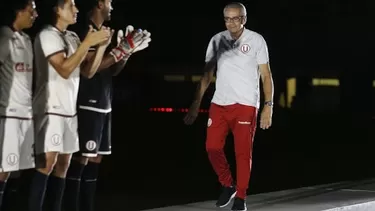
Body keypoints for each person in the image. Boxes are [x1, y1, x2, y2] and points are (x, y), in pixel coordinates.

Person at [184, 2, 274, 211]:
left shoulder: (256, 40)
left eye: (236, 18)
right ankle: (228, 184)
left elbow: (266, 75)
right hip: (220, 103)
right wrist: (195, 104)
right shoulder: (217, 40)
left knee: (242, 153)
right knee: (212, 147)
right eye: (227, 19)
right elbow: (207, 74)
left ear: (244, 19)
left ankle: (241, 197)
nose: (231, 23)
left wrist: (268, 106)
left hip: (246, 104)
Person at [62, 0, 151, 211]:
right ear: (100, 3)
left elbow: (111, 69)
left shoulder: (104, 31)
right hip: (87, 101)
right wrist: (119, 51)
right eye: (109, 2)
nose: (112, 6)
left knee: (95, 161)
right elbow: (89, 69)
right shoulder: (87, 30)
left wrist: (125, 53)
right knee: (81, 160)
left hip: (104, 101)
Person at [28, 0, 113, 210]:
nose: (76, 10)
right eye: (70, 6)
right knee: (47, 164)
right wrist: (87, 43)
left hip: (69, 110)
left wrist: (101, 47)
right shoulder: (48, 35)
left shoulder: (72, 36)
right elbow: (64, 69)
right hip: (49, 108)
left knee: (63, 166)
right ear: (57, 10)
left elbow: (88, 72)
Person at [0, 0, 38, 209]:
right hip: (9, 115)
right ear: (18, 11)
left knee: (18, 171)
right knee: (4, 170)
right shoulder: (5, 37)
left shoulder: (26, 39)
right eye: (31, 10)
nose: (35, 14)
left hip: (26, 115)